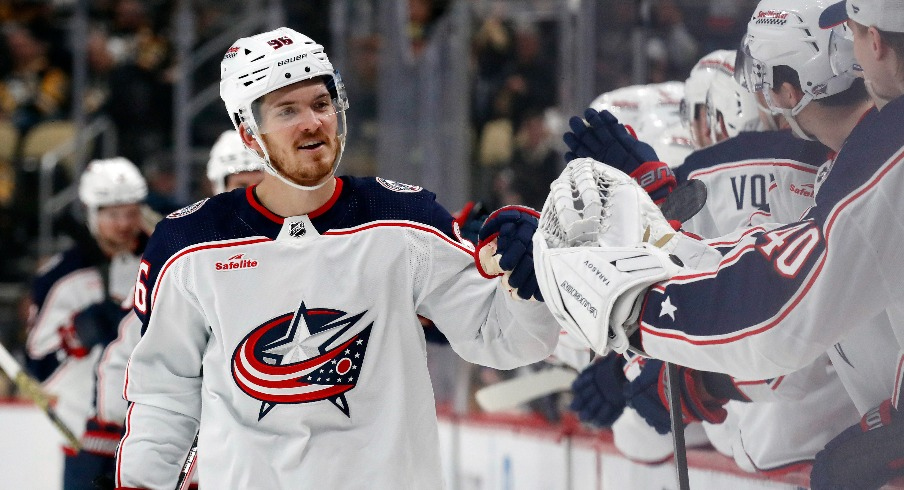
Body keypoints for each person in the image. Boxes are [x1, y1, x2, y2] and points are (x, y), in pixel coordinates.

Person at [115, 27, 557, 489]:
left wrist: (527, 285)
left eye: (320, 104)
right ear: (249, 133)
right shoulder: (188, 243)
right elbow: (164, 396)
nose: (312, 122)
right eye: (287, 110)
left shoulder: (404, 220)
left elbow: (505, 338)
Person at [539, 0, 904, 486]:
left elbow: (780, 308)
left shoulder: (881, 161)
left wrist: (639, 315)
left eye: (858, 34)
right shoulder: (854, 161)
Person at [24, 157, 149, 489]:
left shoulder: (162, 260)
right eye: (112, 214)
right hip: (86, 436)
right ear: (92, 212)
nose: (124, 223)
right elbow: (39, 366)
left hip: (152, 431)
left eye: (131, 212)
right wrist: (76, 336)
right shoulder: (61, 276)